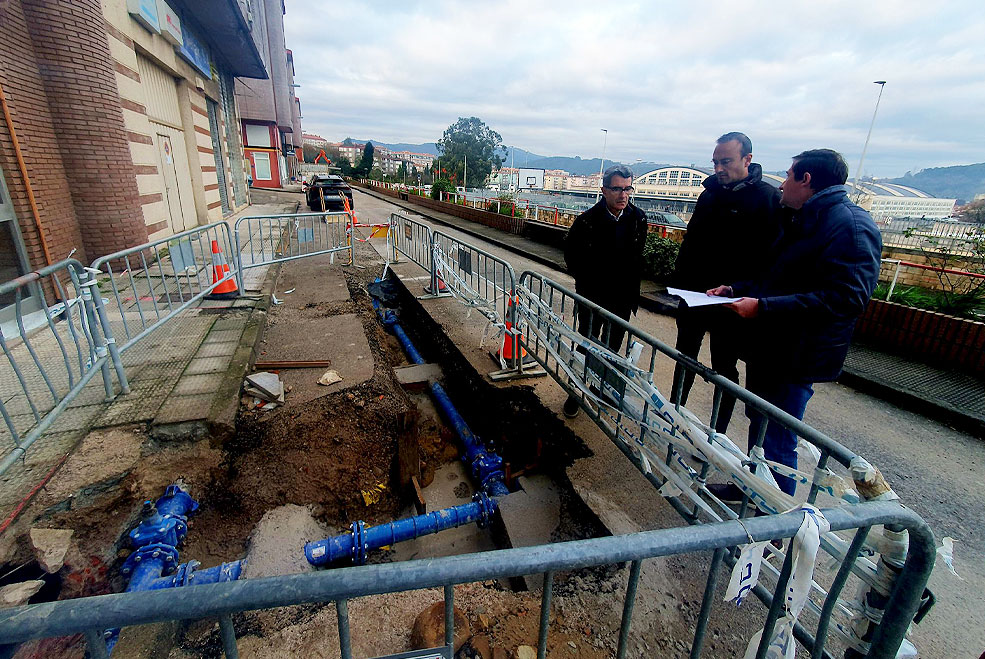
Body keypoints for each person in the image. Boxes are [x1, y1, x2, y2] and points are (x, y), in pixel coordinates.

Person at [707, 149, 882, 498]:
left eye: (788, 175)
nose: (783, 183)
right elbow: (780, 277)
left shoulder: (850, 225)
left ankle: (777, 515)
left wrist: (764, 308)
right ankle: (754, 488)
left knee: (779, 434)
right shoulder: (805, 218)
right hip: (771, 345)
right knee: (760, 424)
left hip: (797, 352)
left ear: (806, 180)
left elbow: (846, 298)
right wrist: (737, 290)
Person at [670, 132, 781, 433]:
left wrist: (744, 289)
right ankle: (674, 416)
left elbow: (772, 258)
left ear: (748, 159)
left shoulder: (768, 199)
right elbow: (691, 242)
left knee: (724, 369)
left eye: (726, 161)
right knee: (684, 358)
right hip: (694, 295)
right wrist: (681, 282)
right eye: (716, 162)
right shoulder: (709, 196)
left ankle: (716, 433)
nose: (719, 168)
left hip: (733, 301)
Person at [562, 165, 649, 418]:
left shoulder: (638, 219)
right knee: (587, 345)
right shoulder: (587, 221)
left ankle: (601, 390)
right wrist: (589, 281)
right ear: (604, 190)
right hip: (592, 297)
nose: (623, 195)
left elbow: (636, 257)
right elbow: (572, 257)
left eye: (627, 188)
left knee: (612, 350)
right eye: (617, 189)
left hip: (622, 299)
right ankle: (575, 392)